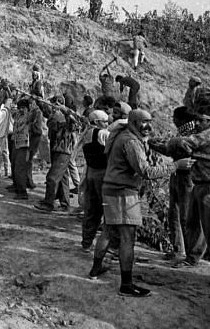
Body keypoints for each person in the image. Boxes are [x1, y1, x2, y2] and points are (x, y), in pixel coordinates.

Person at [88, 110, 190, 297]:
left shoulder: (120, 134)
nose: (149, 127)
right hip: (123, 193)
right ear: (134, 122)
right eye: (144, 122)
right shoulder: (131, 142)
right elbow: (146, 171)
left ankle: (95, 270)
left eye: (150, 122)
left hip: (110, 189)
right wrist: (176, 166)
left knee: (108, 231)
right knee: (128, 237)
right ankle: (126, 285)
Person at [148, 106, 199, 261]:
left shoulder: (192, 135)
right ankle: (179, 250)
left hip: (187, 178)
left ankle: (190, 255)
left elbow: (172, 150)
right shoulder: (184, 132)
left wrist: (154, 144)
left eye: (175, 118)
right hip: (178, 175)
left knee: (185, 217)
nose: (173, 120)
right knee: (174, 215)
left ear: (182, 119)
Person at [34, 98, 82, 212]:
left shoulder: (68, 123)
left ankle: (48, 204)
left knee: (52, 178)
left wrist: (63, 108)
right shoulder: (55, 117)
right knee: (63, 178)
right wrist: (38, 101)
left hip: (63, 152)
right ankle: (65, 204)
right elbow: (46, 111)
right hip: (58, 151)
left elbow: (76, 119)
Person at [80, 110, 110, 250]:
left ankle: (86, 242)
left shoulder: (87, 132)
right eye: (105, 121)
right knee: (107, 209)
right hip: (102, 174)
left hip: (90, 173)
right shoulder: (102, 133)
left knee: (91, 210)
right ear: (97, 122)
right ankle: (109, 245)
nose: (107, 123)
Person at [10, 99, 32, 200]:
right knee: (15, 166)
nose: (21, 110)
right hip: (16, 143)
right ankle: (17, 188)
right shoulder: (18, 114)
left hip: (23, 145)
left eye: (23, 108)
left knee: (20, 169)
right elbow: (12, 108)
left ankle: (23, 192)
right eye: (20, 108)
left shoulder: (29, 116)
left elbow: (34, 111)